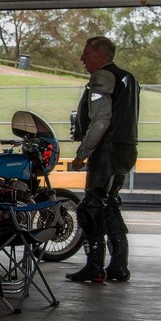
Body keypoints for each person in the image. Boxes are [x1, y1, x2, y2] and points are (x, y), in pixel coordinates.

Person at [66, 36, 140, 283]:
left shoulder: (102, 77)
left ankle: (95, 267)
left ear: (100, 56)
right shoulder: (129, 79)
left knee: (91, 207)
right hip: (126, 149)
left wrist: (82, 154)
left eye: (86, 53)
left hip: (107, 151)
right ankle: (118, 266)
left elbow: (100, 120)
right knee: (110, 204)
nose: (82, 58)